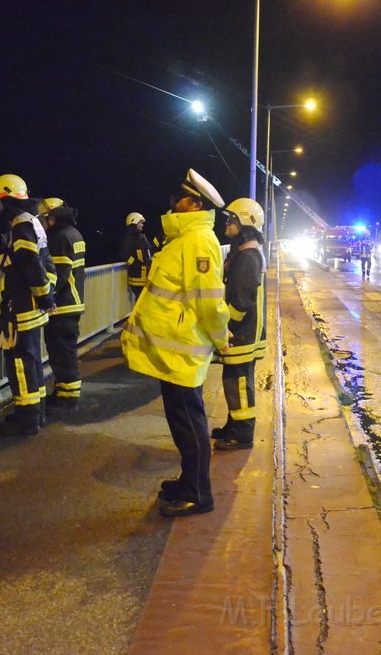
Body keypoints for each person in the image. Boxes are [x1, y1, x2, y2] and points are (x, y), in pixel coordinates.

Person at [122, 168, 229, 517]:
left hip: (183, 351)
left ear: (194, 203)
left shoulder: (198, 241)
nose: (172, 203)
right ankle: (188, 481)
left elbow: (209, 300)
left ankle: (199, 494)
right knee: (181, 420)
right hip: (172, 350)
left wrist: (220, 339)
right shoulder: (185, 239)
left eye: (179, 198)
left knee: (189, 423)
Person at [0, 174, 56, 435]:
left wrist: (44, 297)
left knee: (20, 361)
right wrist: (45, 297)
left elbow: (29, 265)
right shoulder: (31, 222)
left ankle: (26, 419)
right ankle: (35, 413)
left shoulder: (21, 225)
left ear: (6, 199)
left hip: (22, 306)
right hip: (30, 304)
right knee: (31, 360)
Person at [212, 198, 267, 451]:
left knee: (240, 381)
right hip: (243, 330)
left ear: (245, 222)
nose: (227, 222)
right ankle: (234, 424)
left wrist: (227, 326)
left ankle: (243, 434)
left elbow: (242, 300)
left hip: (242, 331)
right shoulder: (245, 251)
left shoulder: (247, 256)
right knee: (233, 379)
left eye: (231, 218)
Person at [40, 197, 85, 410]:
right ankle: (64, 391)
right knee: (65, 351)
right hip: (73, 302)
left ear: (52, 217)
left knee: (62, 352)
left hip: (63, 305)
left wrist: (44, 296)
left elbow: (57, 275)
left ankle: (68, 398)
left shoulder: (59, 238)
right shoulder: (74, 233)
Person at [120, 212, 153, 301]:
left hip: (146, 276)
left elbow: (149, 251)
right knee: (140, 300)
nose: (142, 225)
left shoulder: (142, 237)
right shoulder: (129, 239)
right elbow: (125, 256)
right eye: (140, 223)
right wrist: (138, 265)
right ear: (134, 223)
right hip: (137, 277)